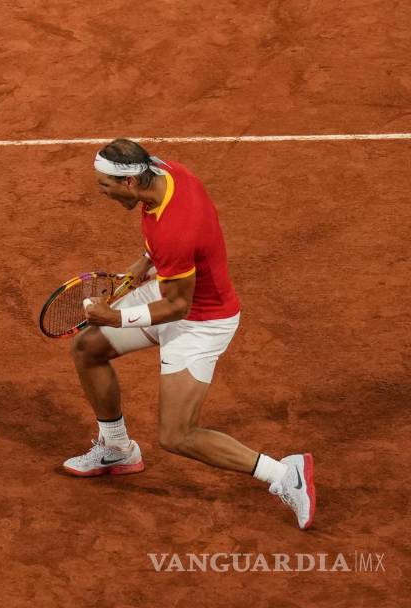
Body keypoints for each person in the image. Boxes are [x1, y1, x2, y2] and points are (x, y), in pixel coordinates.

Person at [64, 138, 315, 529]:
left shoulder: (176, 229)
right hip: (171, 293)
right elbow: (161, 256)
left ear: (129, 184)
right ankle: (116, 449)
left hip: (201, 322)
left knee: (177, 435)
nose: (102, 192)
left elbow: (178, 308)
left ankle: (284, 474)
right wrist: (136, 272)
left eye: (105, 185)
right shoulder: (168, 175)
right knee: (87, 347)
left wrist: (116, 319)